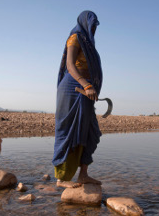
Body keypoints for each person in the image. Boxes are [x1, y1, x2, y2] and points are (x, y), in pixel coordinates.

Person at [53, 11, 103, 188]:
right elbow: (70, 65)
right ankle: (61, 180)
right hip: (72, 89)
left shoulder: (90, 44)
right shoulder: (75, 38)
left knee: (91, 133)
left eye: (96, 26)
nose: (94, 29)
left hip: (86, 91)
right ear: (84, 23)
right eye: (92, 25)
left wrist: (90, 87)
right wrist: (85, 84)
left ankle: (83, 175)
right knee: (68, 132)